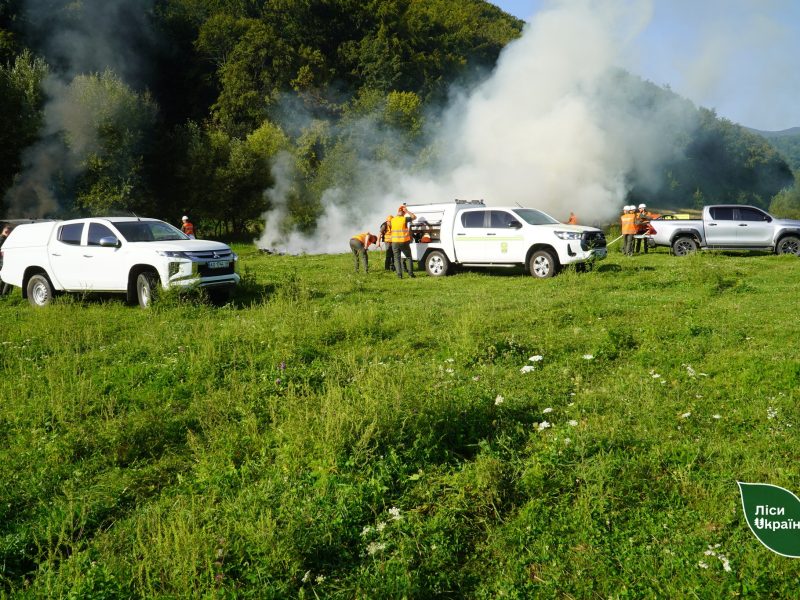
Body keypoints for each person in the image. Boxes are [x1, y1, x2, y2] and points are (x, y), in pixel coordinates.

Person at [389, 204, 417, 278]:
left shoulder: (392, 220)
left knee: (396, 258)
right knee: (408, 257)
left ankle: (399, 275)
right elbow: (414, 217)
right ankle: (411, 274)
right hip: (404, 241)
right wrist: (407, 211)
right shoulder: (404, 219)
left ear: (397, 212)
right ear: (403, 213)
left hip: (394, 242)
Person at [0, 224, 13, 295]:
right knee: (7, 278)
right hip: (2, 262)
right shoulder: (2, 239)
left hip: (3, 261)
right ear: (5, 231)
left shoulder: (3, 238)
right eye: (8, 232)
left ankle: (4, 295)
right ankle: (5, 294)